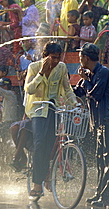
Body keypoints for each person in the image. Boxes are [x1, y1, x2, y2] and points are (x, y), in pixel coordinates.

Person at [24, 42, 77, 199]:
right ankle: (36, 185)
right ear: (45, 56)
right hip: (37, 110)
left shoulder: (61, 68)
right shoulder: (34, 67)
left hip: (53, 110)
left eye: (58, 58)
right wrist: (42, 73)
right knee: (40, 144)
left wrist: (74, 103)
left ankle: (47, 175)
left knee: (50, 146)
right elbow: (29, 89)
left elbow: (67, 88)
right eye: (53, 58)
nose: (55, 61)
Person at [74, 43, 109, 207]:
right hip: (100, 123)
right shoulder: (90, 73)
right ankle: (100, 193)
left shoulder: (103, 72)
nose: (79, 59)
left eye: (81, 56)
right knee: (100, 160)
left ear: (86, 58)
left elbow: (95, 94)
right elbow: (79, 91)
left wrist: (86, 80)